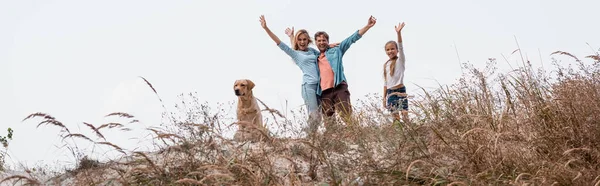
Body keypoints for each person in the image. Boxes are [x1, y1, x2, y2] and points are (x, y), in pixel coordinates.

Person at [258, 15, 338, 136]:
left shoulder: (312, 51)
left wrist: (330, 45)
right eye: (299, 39)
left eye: (304, 39)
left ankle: (312, 137)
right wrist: (266, 28)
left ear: (308, 41)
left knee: (321, 116)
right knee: (314, 115)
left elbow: (323, 52)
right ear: (297, 41)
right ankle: (306, 136)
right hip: (308, 87)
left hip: (319, 87)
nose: (302, 41)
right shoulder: (296, 54)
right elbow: (279, 42)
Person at [314, 15, 377, 127]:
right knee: (329, 123)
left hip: (339, 87)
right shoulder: (314, 56)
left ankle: (356, 136)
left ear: (327, 41)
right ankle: (333, 143)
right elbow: (299, 53)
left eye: (324, 40)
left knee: (346, 115)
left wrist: (367, 26)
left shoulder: (336, 50)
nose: (321, 42)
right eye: (319, 40)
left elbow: (351, 39)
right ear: (315, 42)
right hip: (324, 92)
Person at [382, 22, 409, 123]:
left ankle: (409, 132)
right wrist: (384, 98)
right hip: (390, 92)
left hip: (400, 90)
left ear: (397, 50)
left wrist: (398, 33)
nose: (390, 51)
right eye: (388, 50)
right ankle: (399, 133)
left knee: (405, 114)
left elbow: (401, 47)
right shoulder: (386, 65)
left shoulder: (400, 61)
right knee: (395, 117)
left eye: (392, 49)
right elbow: (386, 83)